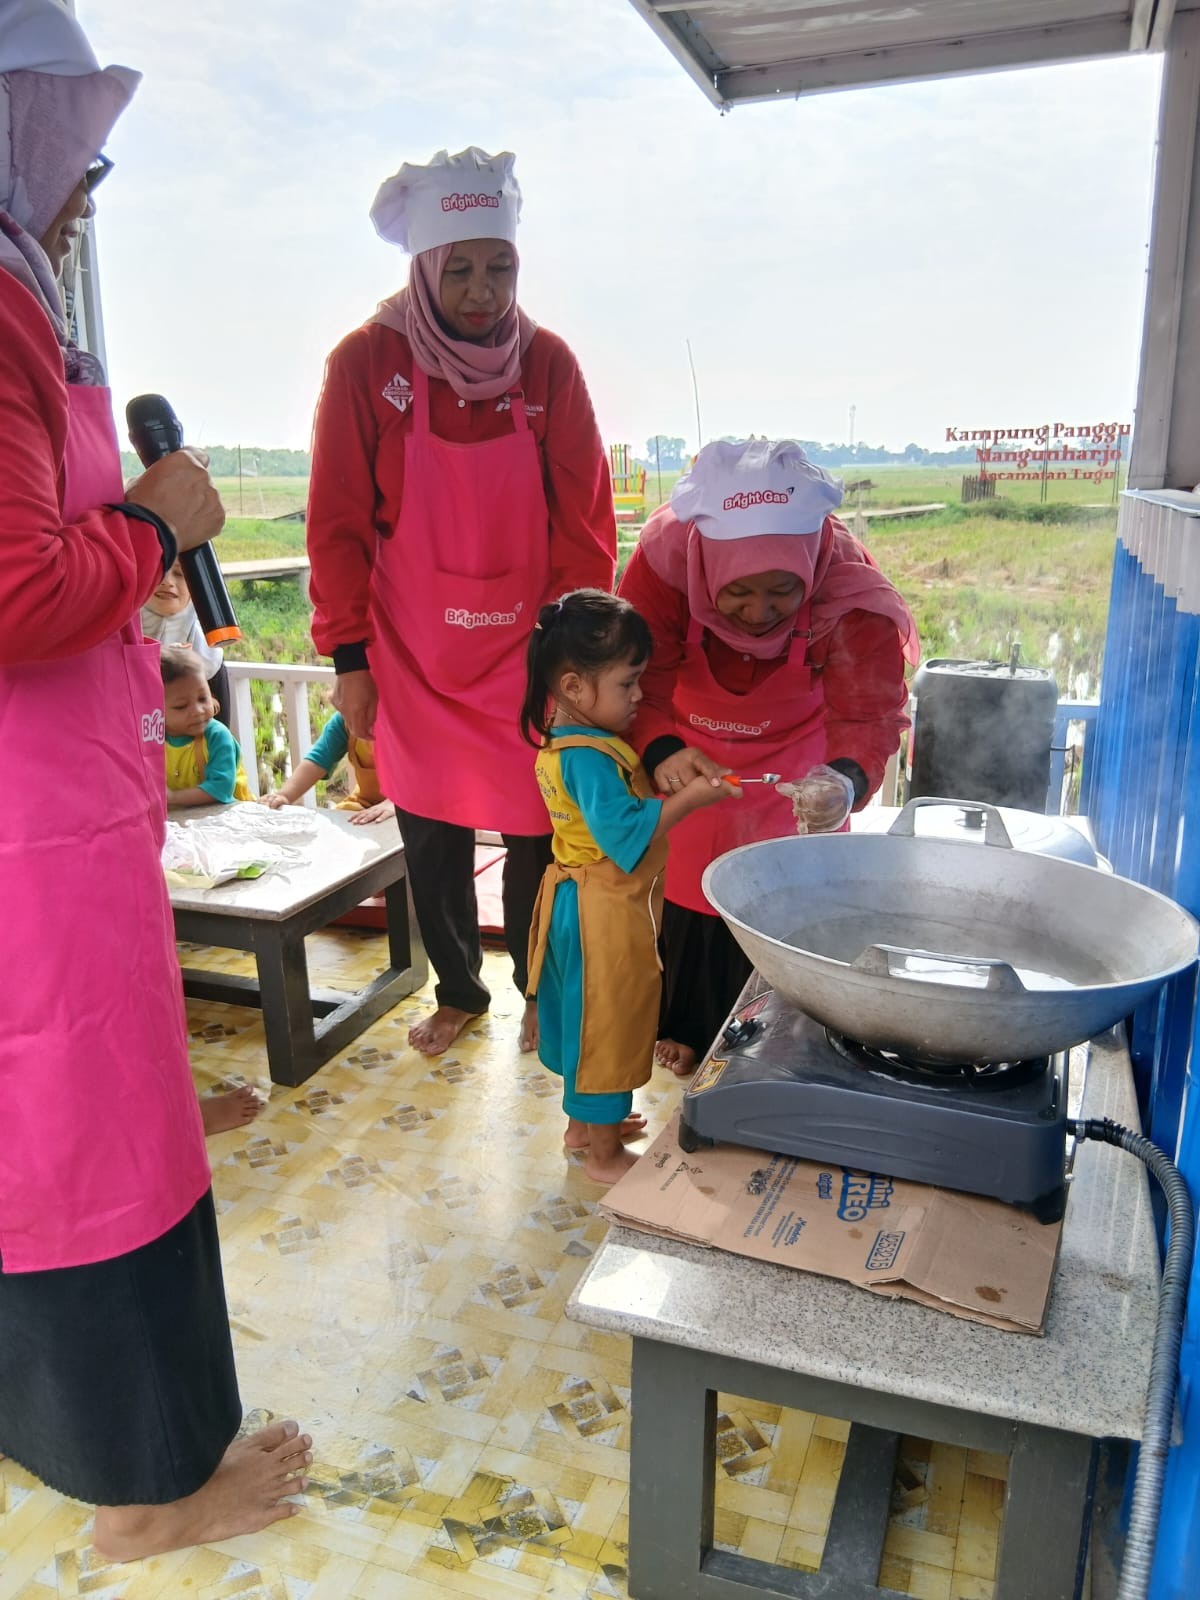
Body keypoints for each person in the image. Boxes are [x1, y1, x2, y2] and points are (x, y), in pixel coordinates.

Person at [0, 1, 309, 1559]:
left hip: (44, 797)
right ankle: (146, 1498)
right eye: (72, 143)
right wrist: (155, 516)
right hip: (28, 826)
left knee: (46, 1113)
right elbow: (10, 586)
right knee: (79, 1123)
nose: (89, 184)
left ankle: (56, 1440)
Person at [307, 146, 617, 1058]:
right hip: (412, 654)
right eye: (461, 269)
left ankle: (533, 993)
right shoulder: (366, 363)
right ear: (423, 266)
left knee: (537, 836)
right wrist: (349, 659)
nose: (482, 291)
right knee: (432, 834)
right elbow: (337, 524)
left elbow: (585, 525)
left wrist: (576, 659)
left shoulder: (549, 365)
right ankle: (459, 993)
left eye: (500, 266)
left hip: (527, 651)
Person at [618, 438, 919, 1075]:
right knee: (687, 900)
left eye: (783, 591)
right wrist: (662, 747)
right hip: (688, 748)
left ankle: (772, 1052)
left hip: (801, 762)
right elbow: (634, 680)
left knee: (786, 908)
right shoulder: (663, 565)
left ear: (809, 569)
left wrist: (844, 779)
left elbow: (868, 714)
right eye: (736, 593)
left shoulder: (848, 588)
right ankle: (688, 1039)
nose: (758, 614)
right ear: (704, 571)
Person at [522, 591, 737, 1182]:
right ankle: (604, 1156)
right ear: (572, 686)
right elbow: (626, 836)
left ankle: (584, 1126)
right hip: (600, 912)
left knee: (580, 1016)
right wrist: (692, 799)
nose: (640, 696)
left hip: (578, 903)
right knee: (608, 1024)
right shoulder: (589, 759)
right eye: (628, 682)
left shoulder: (564, 738)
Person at [261, 708, 394, 823]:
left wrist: (395, 804)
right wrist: (285, 795)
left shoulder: (406, 717)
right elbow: (318, 759)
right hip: (366, 804)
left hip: (407, 809)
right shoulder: (347, 719)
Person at [140, 557, 231, 727]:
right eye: (157, 571)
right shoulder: (110, 646)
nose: (167, 581)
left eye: (179, 573)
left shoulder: (209, 657)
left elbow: (219, 732)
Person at [161, 645, 254, 806]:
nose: (197, 711)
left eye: (203, 698)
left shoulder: (217, 736)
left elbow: (220, 788)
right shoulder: (154, 740)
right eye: (181, 706)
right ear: (156, 710)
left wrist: (173, 798)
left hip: (232, 819)